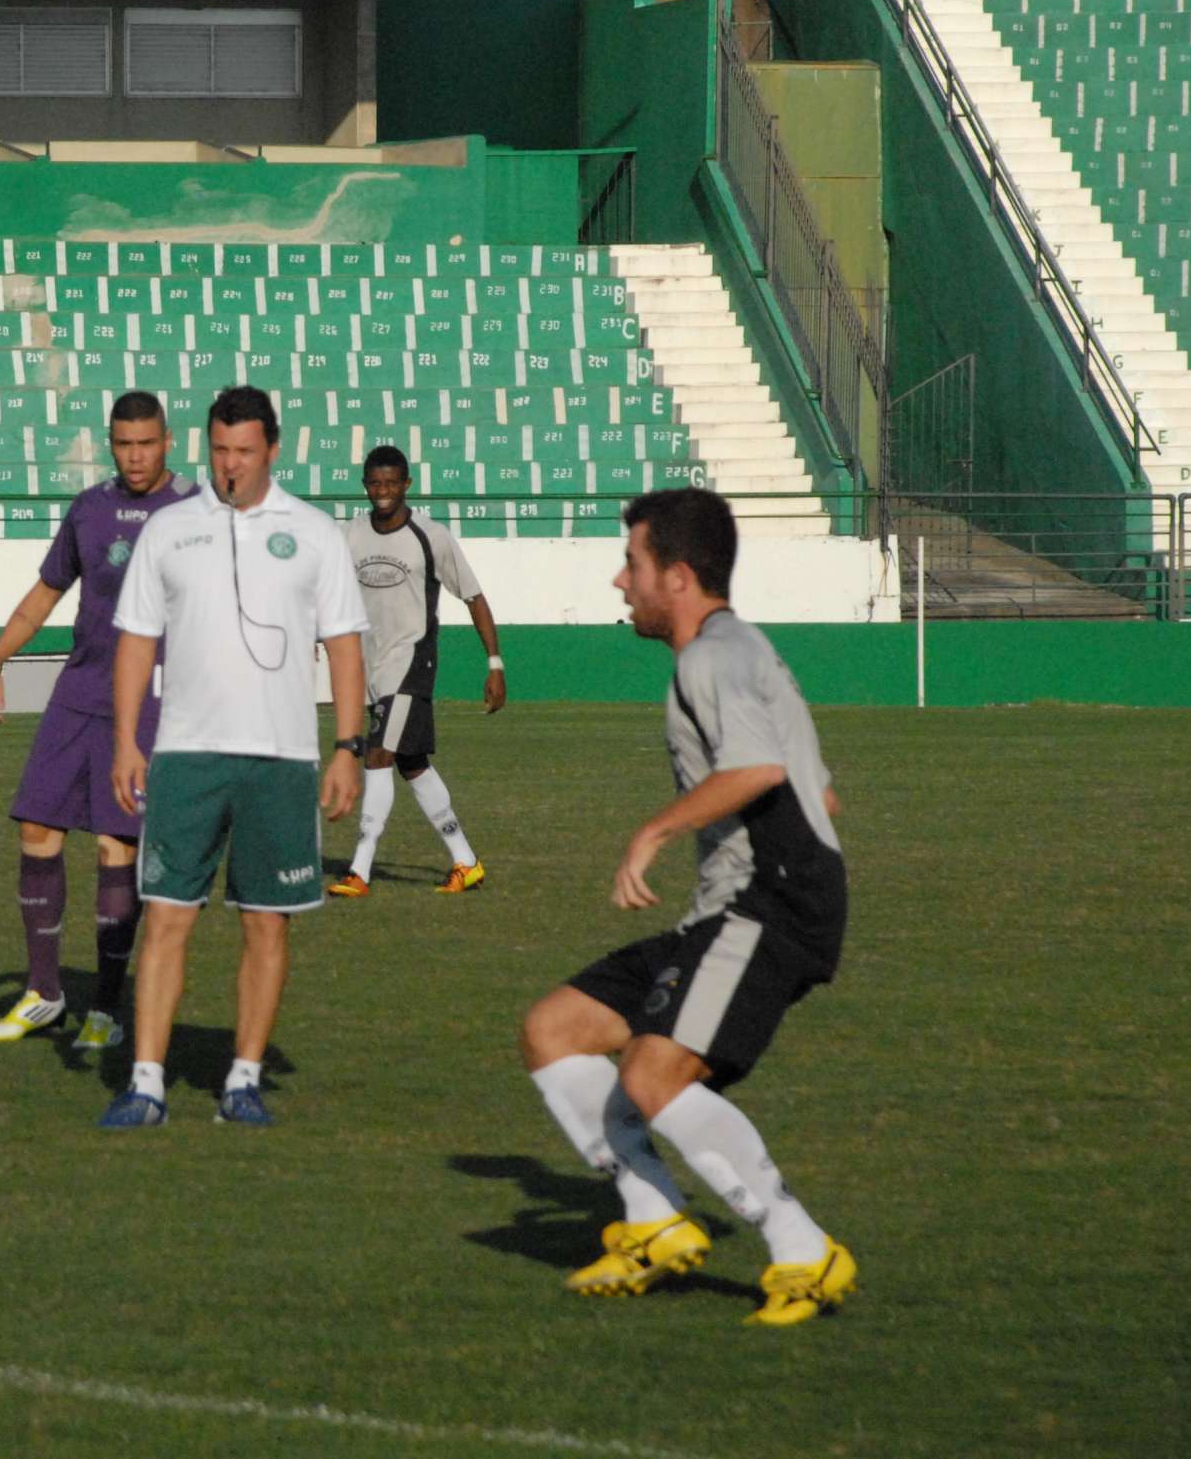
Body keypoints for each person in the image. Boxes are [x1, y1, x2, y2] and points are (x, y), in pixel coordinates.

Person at [516, 488, 857, 1327]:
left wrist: (654, 833)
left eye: (631, 563)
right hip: (739, 902)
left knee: (652, 1073)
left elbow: (762, 773)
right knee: (555, 1029)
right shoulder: (737, 654)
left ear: (676, 575)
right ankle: (655, 1219)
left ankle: (802, 1248)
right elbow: (823, 791)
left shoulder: (713, 656)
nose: (618, 581)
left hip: (772, 902)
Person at [99, 385, 368, 1128]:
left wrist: (348, 748)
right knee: (166, 917)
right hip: (185, 755)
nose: (231, 466)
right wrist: (127, 740)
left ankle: (243, 1080)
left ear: (273, 450)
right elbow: (136, 640)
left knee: (267, 923)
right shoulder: (170, 530)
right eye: (220, 451)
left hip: (281, 760)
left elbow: (344, 646)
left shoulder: (314, 533)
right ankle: (146, 1083)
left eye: (246, 452)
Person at [0, 390, 197, 1049]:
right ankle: (44, 992)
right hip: (78, 692)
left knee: (113, 847)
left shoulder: (194, 512)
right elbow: (48, 590)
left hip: (150, 702)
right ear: (111, 442)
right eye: (124, 444)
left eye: (146, 443)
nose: (135, 456)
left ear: (168, 440)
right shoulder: (89, 509)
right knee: (37, 830)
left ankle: (105, 1007)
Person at [328, 446, 506, 899]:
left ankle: (359, 870)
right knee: (412, 764)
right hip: (370, 667)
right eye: (374, 483)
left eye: (391, 483)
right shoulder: (349, 535)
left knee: (377, 755)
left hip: (411, 663)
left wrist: (494, 663)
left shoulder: (431, 536)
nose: (383, 492)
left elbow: (474, 597)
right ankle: (465, 861)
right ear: (364, 485)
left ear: (407, 484)